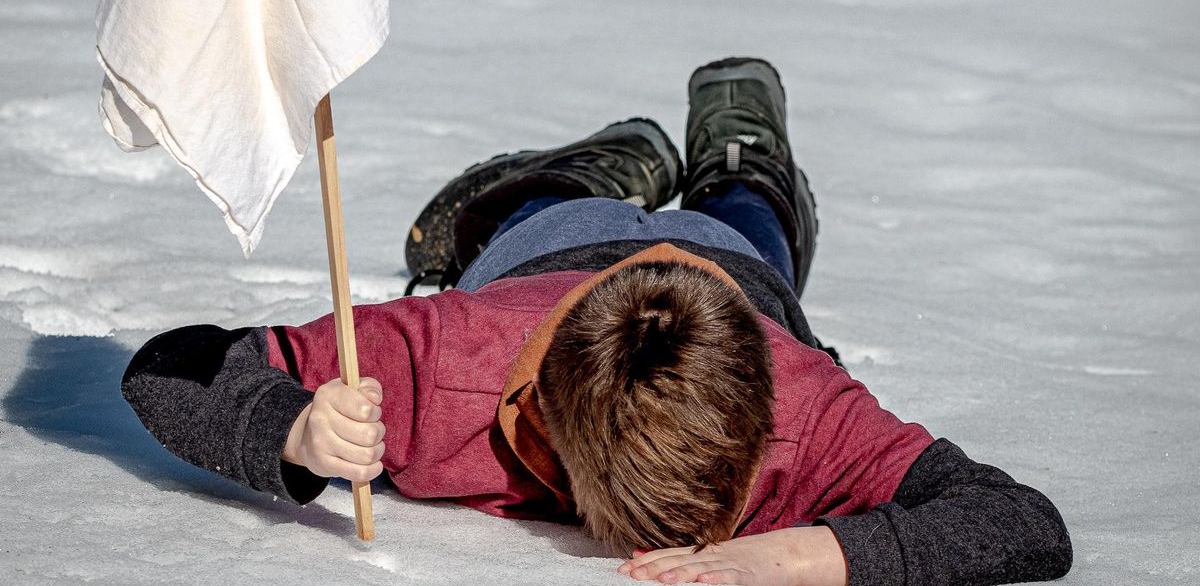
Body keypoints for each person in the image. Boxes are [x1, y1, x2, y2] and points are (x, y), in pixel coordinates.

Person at [122, 58, 1072, 586]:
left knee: (744, 217)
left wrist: (805, 553)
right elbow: (172, 365)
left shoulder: (811, 409)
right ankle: (607, 164)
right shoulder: (441, 366)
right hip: (550, 253)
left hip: (731, 274)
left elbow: (1025, 523)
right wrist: (293, 427)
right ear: (554, 432)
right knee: (529, 214)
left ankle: (743, 158)